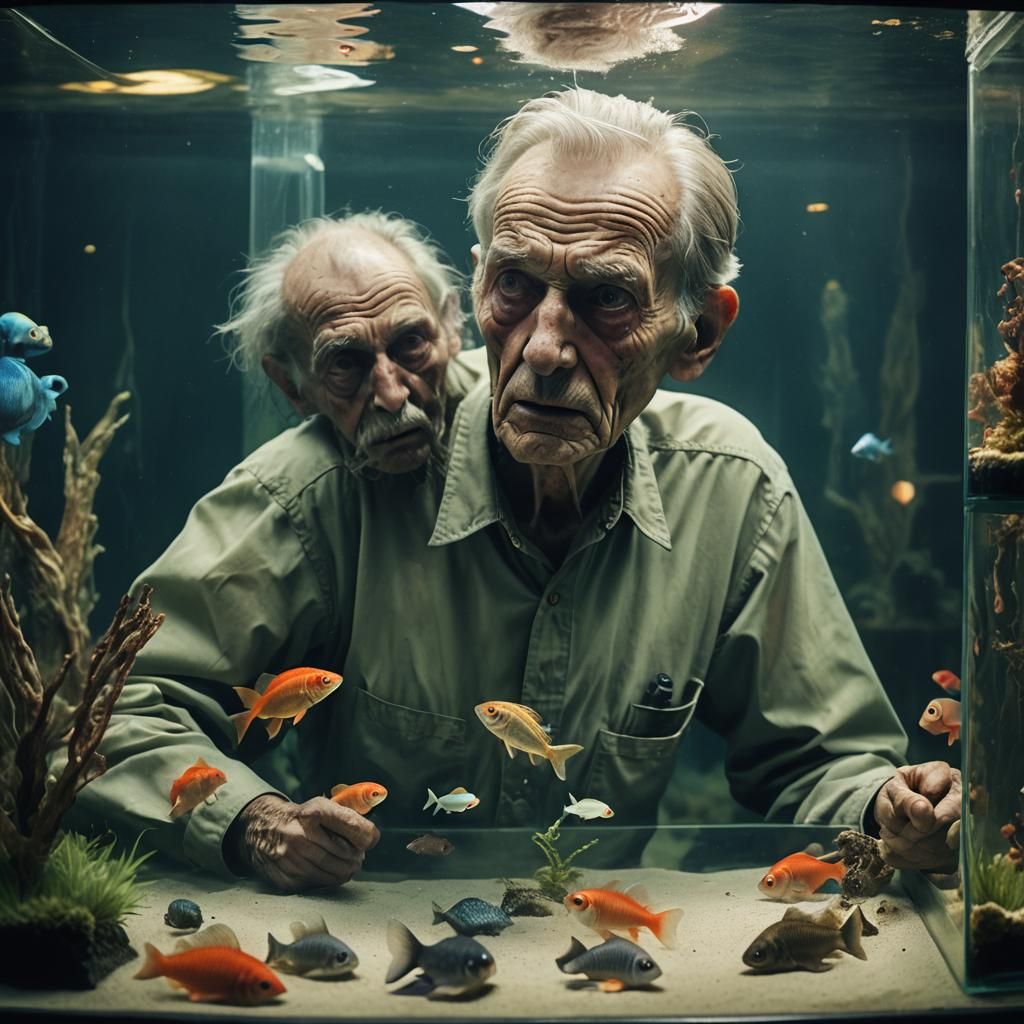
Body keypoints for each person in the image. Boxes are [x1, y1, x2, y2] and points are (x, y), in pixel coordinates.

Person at [66, 91, 959, 893]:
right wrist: (256, 825)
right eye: (517, 286)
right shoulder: (329, 484)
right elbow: (112, 715)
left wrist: (890, 807)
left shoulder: (732, 488)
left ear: (699, 335)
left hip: (614, 965)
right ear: (477, 284)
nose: (541, 346)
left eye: (607, 297)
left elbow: (822, 760)